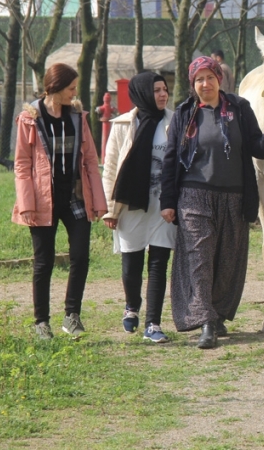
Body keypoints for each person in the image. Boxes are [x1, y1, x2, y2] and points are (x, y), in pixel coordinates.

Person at [160, 56, 264, 349]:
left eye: (210, 77)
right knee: (199, 259)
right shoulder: (185, 114)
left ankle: (219, 312)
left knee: (226, 260)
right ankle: (206, 322)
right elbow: (171, 159)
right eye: (199, 79)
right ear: (192, 84)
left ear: (219, 80)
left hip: (234, 196)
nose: (205, 84)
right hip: (193, 196)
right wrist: (168, 201)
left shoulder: (239, 109)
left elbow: (256, 148)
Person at [12, 63, 108, 340]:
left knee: (80, 256)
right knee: (44, 262)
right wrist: (26, 203)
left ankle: (72, 316)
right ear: (54, 88)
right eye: (71, 88)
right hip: (43, 200)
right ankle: (41, 322)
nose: (75, 93)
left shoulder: (77, 116)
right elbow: (22, 164)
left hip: (76, 198)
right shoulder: (30, 118)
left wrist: (98, 200)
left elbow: (90, 159)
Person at [102, 72, 176, 343]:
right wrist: (110, 209)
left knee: (159, 263)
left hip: (163, 207)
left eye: (165, 89)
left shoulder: (174, 121)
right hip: (130, 204)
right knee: (131, 263)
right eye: (156, 90)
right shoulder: (123, 125)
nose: (162, 94)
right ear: (144, 92)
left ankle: (153, 324)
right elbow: (110, 168)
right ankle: (132, 305)